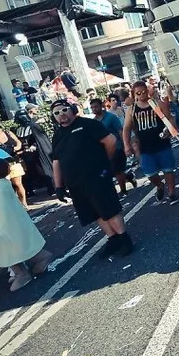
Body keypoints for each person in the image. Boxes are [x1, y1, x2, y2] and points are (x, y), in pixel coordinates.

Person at [50, 99, 134, 257]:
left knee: (108, 208)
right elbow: (56, 161)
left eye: (64, 110)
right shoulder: (57, 135)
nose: (61, 114)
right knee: (94, 212)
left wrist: (104, 163)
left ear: (73, 109)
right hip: (75, 182)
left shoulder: (88, 124)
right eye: (57, 113)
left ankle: (124, 239)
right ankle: (113, 239)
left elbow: (111, 141)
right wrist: (59, 186)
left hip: (96, 176)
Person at [0, 148, 53, 291]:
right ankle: (39, 259)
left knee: (6, 249)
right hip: (10, 224)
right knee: (18, 246)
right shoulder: (2, 185)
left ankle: (22, 273)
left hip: (2, 227)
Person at [123, 80, 179, 205]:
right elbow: (126, 128)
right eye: (138, 93)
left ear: (147, 91)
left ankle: (171, 192)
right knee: (150, 173)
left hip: (162, 143)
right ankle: (159, 186)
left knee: (168, 169)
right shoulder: (132, 110)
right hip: (145, 147)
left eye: (144, 92)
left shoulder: (157, 104)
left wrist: (170, 130)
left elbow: (169, 118)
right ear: (134, 94)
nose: (142, 95)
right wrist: (127, 145)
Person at [89, 97, 137, 195]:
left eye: (96, 107)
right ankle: (128, 177)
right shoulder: (94, 122)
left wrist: (126, 145)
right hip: (104, 150)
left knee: (116, 169)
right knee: (109, 170)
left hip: (117, 146)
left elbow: (120, 131)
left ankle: (123, 190)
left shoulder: (111, 117)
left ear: (101, 106)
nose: (94, 109)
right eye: (92, 107)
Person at [0, 121, 27, 207]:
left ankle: (24, 204)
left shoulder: (8, 133)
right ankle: (12, 205)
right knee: (6, 186)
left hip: (13, 162)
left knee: (18, 184)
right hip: (0, 166)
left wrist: (15, 148)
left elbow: (18, 143)